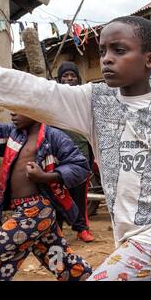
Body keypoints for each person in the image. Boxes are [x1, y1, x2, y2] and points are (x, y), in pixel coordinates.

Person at [0, 15, 151, 281]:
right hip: (128, 236)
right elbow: (32, 90)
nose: (106, 58)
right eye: (103, 50)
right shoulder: (94, 102)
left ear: (150, 60)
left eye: (119, 50)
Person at [0, 113, 92, 281]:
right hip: (28, 213)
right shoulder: (13, 134)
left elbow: (80, 166)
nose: (12, 112)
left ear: (33, 109)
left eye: (18, 108)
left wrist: (44, 177)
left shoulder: (53, 136)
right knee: (62, 263)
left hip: (37, 209)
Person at [56, 61, 95, 243]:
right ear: (60, 78)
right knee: (57, 193)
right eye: (65, 75)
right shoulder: (54, 100)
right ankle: (57, 230)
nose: (69, 79)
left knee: (80, 195)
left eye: (73, 75)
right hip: (58, 155)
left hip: (80, 155)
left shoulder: (84, 100)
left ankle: (82, 229)